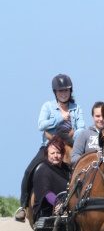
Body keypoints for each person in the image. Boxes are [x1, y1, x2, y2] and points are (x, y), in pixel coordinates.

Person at [15, 74, 85, 222]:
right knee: (29, 170)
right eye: (60, 91)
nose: (64, 93)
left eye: (66, 90)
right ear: (55, 92)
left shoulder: (76, 108)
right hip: (49, 146)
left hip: (69, 146)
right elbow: (41, 125)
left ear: (70, 91)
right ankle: (23, 205)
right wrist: (60, 117)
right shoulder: (48, 106)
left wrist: (74, 136)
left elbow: (81, 128)